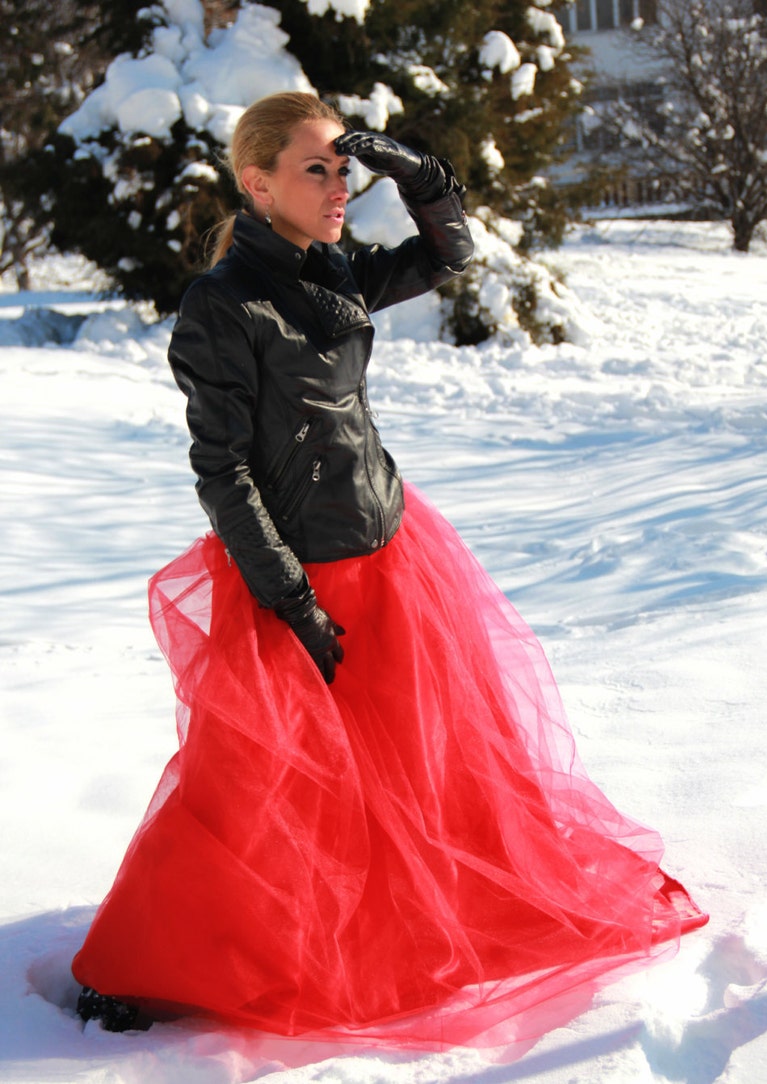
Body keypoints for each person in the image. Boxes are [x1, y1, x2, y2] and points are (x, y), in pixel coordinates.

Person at [73, 92, 707, 1049]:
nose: (338, 188)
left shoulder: (334, 273)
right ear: (257, 183)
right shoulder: (223, 306)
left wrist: (422, 179)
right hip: (296, 574)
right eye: (315, 169)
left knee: (425, 761)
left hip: (389, 550)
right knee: (254, 783)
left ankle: (426, 914)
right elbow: (224, 471)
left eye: (343, 168)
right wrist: (286, 595)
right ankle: (158, 959)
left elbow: (452, 254)